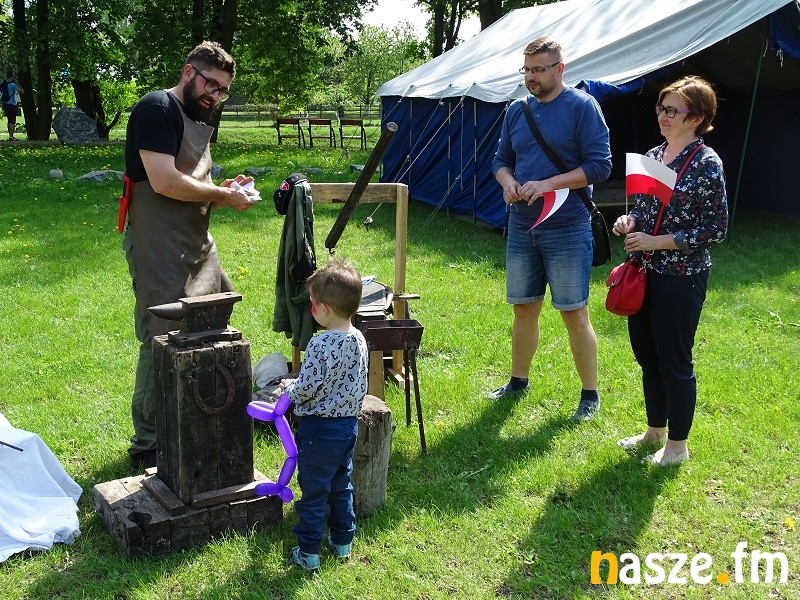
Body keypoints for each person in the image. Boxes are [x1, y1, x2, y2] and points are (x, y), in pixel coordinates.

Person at [122, 41, 257, 472]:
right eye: (210, 85)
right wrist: (221, 195)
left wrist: (225, 190)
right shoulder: (157, 108)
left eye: (222, 91)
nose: (215, 96)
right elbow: (163, 181)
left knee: (216, 317)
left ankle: (202, 412)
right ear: (187, 72)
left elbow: (194, 180)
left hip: (196, 241)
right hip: (156, 240)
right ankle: (148, 443)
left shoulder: (199, 116)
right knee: (161, 336)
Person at [490, 36, 611, 422]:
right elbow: (500, 160)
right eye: (526, 70)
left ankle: (589, 395)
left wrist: (549, 184)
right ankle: (518, 382)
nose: (531, 77)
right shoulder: (516, 110)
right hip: (522, 226)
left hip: (568, 227)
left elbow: (600, 166)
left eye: (539, 70)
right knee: (524, 309)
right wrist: (508, 182)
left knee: (574, 313)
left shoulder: (583, 106)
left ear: (560, 69)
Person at [613, 76, 728, 466]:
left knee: (675, 362)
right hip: (644, 271)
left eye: (671, 110)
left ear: (696, 117)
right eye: (661, 108)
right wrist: (629, 222)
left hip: (681, 277)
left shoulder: (706, 163)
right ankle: (654, 432)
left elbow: (715, 229)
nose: (662, 116)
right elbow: (645, 209)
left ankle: (677, 447)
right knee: (648, 357)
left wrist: (656, 241)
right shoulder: (653, 154)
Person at [279, 258, 368, 573]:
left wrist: (290, 390)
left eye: (313, 303)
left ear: (325, 309)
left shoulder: (320, 344)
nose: (311, 308)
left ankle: (308, 553)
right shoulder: (359, 338)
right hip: (348, 427)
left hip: (319, 430)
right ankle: (343, 543)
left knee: (315, 493)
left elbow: (309, 386)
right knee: (341, 485)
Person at [2, 69, 24, 141]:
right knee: (12, 120)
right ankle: (11, 137)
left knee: (9, 120)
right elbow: (22, 91)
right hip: (12, 104)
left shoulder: (3, 84)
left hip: (5, 104)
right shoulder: (13, 85)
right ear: (12, 76)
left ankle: (10, 135)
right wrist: (17, 83)